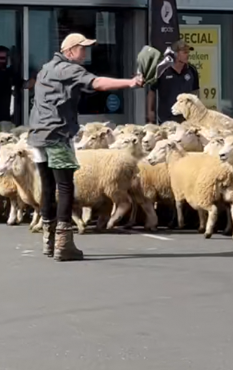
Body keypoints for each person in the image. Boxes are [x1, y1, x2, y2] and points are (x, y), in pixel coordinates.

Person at [26, 33, 144, 262]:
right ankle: (64, 242)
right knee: (66, 186)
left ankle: (48, 241)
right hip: (57, 135)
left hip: (38, 136)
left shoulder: (46, 69)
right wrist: (130, 82)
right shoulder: (67, 69)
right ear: (70, 50)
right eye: (82, 48)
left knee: (48, 187)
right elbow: (97, 83)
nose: (86, 52)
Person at [148, 39, 201, 124]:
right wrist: (150, 111)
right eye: (184, 52)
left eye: (188, 52)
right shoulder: (162, 70)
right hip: (166, 117)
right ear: (175, 54)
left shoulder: (192, 70)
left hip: (186, 119)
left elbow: (195, 92)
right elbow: (152, 91)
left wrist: (196, 112)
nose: (188, 55)